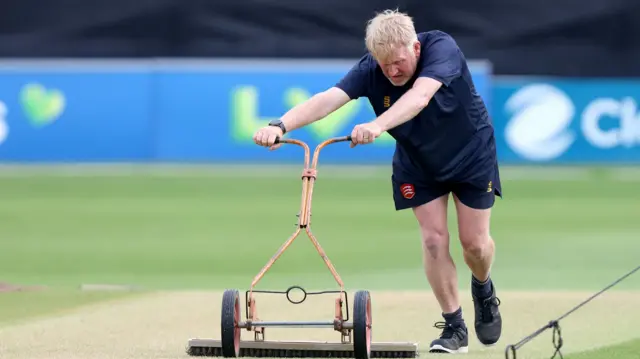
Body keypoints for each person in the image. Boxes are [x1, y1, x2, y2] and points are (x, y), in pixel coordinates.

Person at [252, 9, 502, 354]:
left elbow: (419, 98)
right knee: (433, 240)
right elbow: (329, 99)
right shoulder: (373, 67)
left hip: (471, 155)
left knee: (474, 245)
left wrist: (377, 126)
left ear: (415, 48)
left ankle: (483, 288)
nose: (391, 71)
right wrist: (279, 126)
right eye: (384, 65)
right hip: (418, 162)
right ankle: (454, 326)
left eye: (397, 62)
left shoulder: (442, 48)